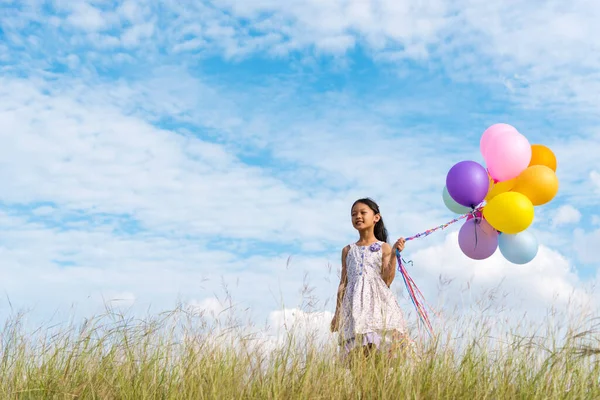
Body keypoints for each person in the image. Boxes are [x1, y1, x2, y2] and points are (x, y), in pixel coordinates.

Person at [330, 197, 411, 360]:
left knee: (379, 352)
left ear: (376, 217)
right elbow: (342, 284)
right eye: (354, 214)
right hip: (354, 308)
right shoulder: (348, 250)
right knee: (357, 355)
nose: (358, 216)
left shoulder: (383, 247)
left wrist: (394, 254)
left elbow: (386, 281)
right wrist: (337, 313)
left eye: (362, 212)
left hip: (377, 307)